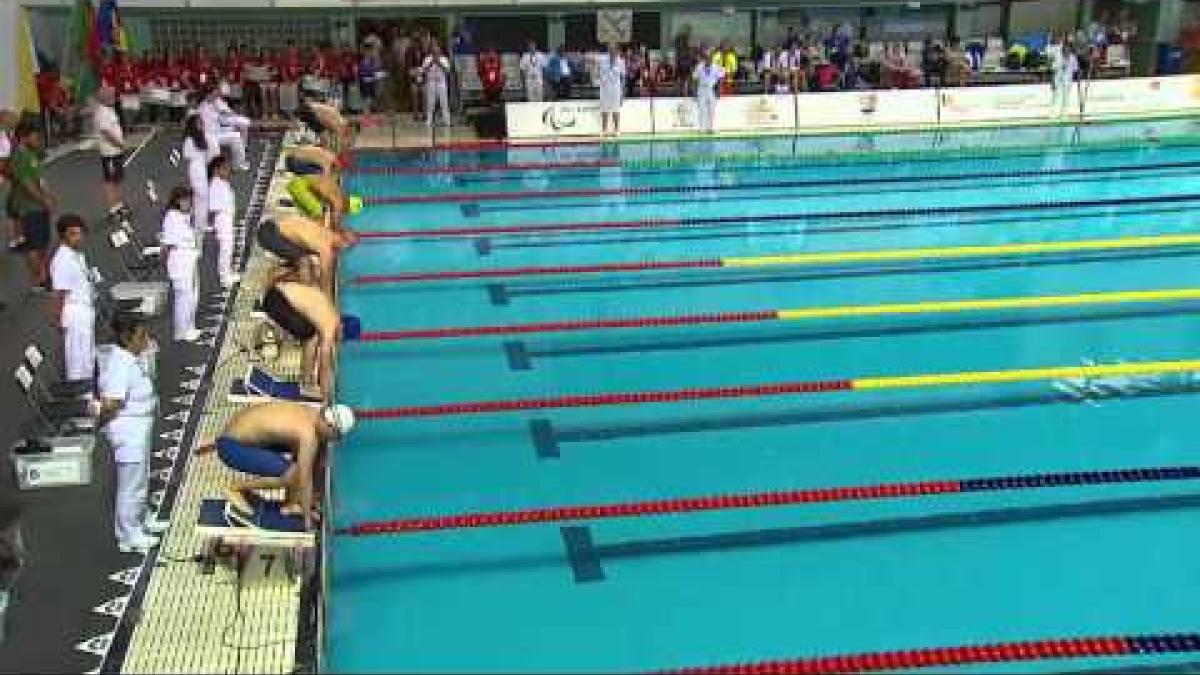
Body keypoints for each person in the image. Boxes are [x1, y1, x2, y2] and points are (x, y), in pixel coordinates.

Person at [200, 401, 355, 530]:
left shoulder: (312, 413)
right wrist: (307, 520)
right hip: (231, 448)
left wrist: (310, 500)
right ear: (329, 426)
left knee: (310, 458)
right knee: (295, 473)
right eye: (336, 436)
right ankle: (234, 488)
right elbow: (304, 478)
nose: (334, 440)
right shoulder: (307, 434)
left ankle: (293, 503)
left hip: (235, 434)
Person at [95, 313, 168, 554]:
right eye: (141, 336)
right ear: (127, 338)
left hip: (139, 426)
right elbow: (112, 403)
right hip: (129, 430)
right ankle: (129, 534)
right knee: (130, 485)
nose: (146, 340)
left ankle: (142, 517)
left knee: (141, 477)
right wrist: (101, 425)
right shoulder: (119, 365)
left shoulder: (130, 357)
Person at [261, 272, 341, 399]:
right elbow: (325, 366)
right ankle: (306, 384)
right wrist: (327, 396)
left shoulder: (331, 312)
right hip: (279, 302)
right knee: (310, 337)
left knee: (310, 337)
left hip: (275, 293)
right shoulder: (329, 326)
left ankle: (305, 381)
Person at [49, 214, 96, 382]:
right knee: (78, 358)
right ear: (63, 236)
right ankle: (80, 394)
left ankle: (87, 391)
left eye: (80, 233)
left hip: (83, 310)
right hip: (74, 312)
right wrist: (57, 318)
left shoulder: (75, 255)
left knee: (86, 355)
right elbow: (58, 293)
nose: (78, 237)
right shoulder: (63, 260)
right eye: (73, 234)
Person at [8, 121, 55, 289]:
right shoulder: (19, 157)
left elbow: (39, 179)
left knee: (43, 244)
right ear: (23, 138)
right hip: (29, 208)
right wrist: (44, 200)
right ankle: (38, 281)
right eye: (35, 136)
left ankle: (43, 275)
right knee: (34, 247)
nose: (38, 140)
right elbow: (27, 184)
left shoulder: (31, 154)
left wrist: (50, 195)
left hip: (40, 207)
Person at [258, 213, 348, 296]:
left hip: (271, 225)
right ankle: (275, 287)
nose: (344, 249)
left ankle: (275, 277)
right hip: (270, 235)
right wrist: (325, 300)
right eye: (344, 245)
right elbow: (325, 280)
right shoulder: (325, 248)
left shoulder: (324, 226)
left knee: (305, 260)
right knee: (306, 269)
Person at [160, 186, 200, 342]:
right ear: (177, 201)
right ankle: (181, 331)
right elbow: (167, 245)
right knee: (184, 298)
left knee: (193, 296)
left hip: (189, 260)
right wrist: (164, 261)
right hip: (180, 262)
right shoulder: (171, 218)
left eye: (190, 199)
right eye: (185, 200)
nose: (189, 202)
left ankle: (190, 326)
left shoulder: (183, 216)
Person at [92, 86, 131, 229]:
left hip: (115, 152)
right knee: (110, 182)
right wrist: (120, 145)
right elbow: (106, 133)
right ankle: (113, 210)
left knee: (116, 180)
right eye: (112, 96)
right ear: (104, 98)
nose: (114, 98)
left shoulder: (109, 110)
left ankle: (119, 206)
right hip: (110, 153)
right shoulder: (102, 112)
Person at [208, 156, 239, 288]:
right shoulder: (215, 185)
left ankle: (228, 272)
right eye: (225, 169)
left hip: (226, 217)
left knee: (229, 247)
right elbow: (212, 206)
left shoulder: (222, 183)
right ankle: (224, 278)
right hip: (222, 219)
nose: (228, 171)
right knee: (225, 249)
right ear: (216, 170)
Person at [181, 114, 210, 233]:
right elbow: (186, 155)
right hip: (195, 169)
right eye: (199, 123)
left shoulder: (200, 137)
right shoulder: (189, 139)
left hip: (201, 168)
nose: (201, 125)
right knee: (201, 196)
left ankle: (199, 223)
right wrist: (197, 156)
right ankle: (198, 225)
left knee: (200, 198)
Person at [0, 109, 19, 251]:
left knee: (13, 207)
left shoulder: (10, 134)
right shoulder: (2, 138)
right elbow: (3, 162)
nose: (16, 119)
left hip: (8, 176)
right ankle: (12, 238)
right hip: (4, 178)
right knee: (7, 208)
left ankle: (15, 237)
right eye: (12, 117)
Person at [421, 42, 451, 128]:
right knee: (430, 103)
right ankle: (429, 121)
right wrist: (431, 63)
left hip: (441, 82)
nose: (435, 50)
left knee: (444, 102)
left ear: (440, 50)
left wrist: (438, 63)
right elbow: (424, 70)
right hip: (431, 82)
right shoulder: (427, 59)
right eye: (434, 49)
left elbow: (447, 71)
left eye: (437, 49)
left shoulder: (444, 59)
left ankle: (447, 121)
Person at [597, 43, 626, 136]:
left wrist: (622, 92)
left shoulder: (621, 62)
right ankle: (604, 130)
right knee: (604, 110)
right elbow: (599, 73)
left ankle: (617, 130)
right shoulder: (602, 60)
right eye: (610, 50)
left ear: (617, 51)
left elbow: (623, 77)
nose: (612, 52)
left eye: (613, 50)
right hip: (605, 88)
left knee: (616, 110)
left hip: (616, 88)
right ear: (608, 51)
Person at [694, 52, 724, 134]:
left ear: (711, 59)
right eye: (706, 58)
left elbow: (721, 78)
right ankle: (702, 128)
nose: (708, 60)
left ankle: (711, 128)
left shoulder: (716, 67)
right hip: (701, 89)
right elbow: (695, 79)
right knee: (702, 109)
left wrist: (719, 90)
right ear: (704, 59)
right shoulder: (699, 67)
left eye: (709, 58)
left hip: (711, 90)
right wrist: (694, 91)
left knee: (712, 109)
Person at [1048, 32, 1078, 114]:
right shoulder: (1058, 57)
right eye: (1065, 49)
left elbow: (1076, 70)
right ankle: (1053, 112)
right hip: (1058, 81)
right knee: (1055, 96)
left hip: (1068, 81)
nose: (1067, 51)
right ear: (1062, 50)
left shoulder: (1073, 58)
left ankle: (1064, 112)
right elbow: (1053, 70)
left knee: (1066, 97)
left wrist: (1076, 79)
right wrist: (1052, 82)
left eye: (1068, 49)